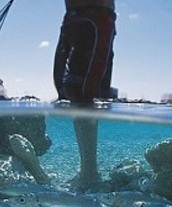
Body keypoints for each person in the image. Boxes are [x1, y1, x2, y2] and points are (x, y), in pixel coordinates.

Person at [53, 0, 117, 191]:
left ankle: (89, 173)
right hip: (82, 17)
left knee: (82, 93)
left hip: (93, 17)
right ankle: (89, 172)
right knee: (75, 92)